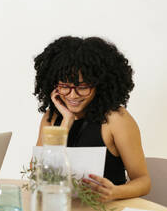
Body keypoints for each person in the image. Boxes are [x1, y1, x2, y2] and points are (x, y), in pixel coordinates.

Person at [33, 36, 151, 202]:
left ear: (99, 85)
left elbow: (144, 181)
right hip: (63, 208)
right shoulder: (52, 118)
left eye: (82, 87)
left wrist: (115, 192)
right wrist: (66, 122)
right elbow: (37, 174)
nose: (73, 95)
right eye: (65, 86)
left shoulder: (116, 119)